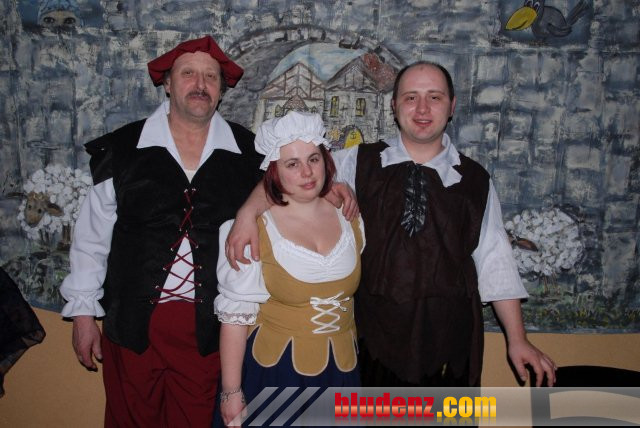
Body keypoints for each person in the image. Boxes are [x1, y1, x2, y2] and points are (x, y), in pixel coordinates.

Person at [226, 61, 557, 388]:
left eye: (435, 97)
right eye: (411, 97)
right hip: (374, 343)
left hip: (450, 341)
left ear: (452, 106)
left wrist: (518, 339)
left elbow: (495, 261)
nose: (422, 108)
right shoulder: (356, 162)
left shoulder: (475, 181)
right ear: (394, 106)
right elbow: (286, 178)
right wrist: (246, 214)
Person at [59, 35, 265, 427]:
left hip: (210, 327)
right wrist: (84, 314)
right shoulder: (123, 148)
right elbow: (91, 239)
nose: (200, 84)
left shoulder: (251, 153)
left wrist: (334, 188)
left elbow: (298, 186)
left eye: (211, 76)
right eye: (188, 74)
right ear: (167, 83)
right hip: (133, 322)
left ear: (221, 90)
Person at [215, 111, 364, 427]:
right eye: (292, 164)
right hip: (276, 373)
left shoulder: (349, 216)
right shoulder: (253, 229)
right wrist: (231, 391)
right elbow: (235, 320)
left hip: (341, 373)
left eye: (313, 159)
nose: (307, 172)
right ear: (274, 170)